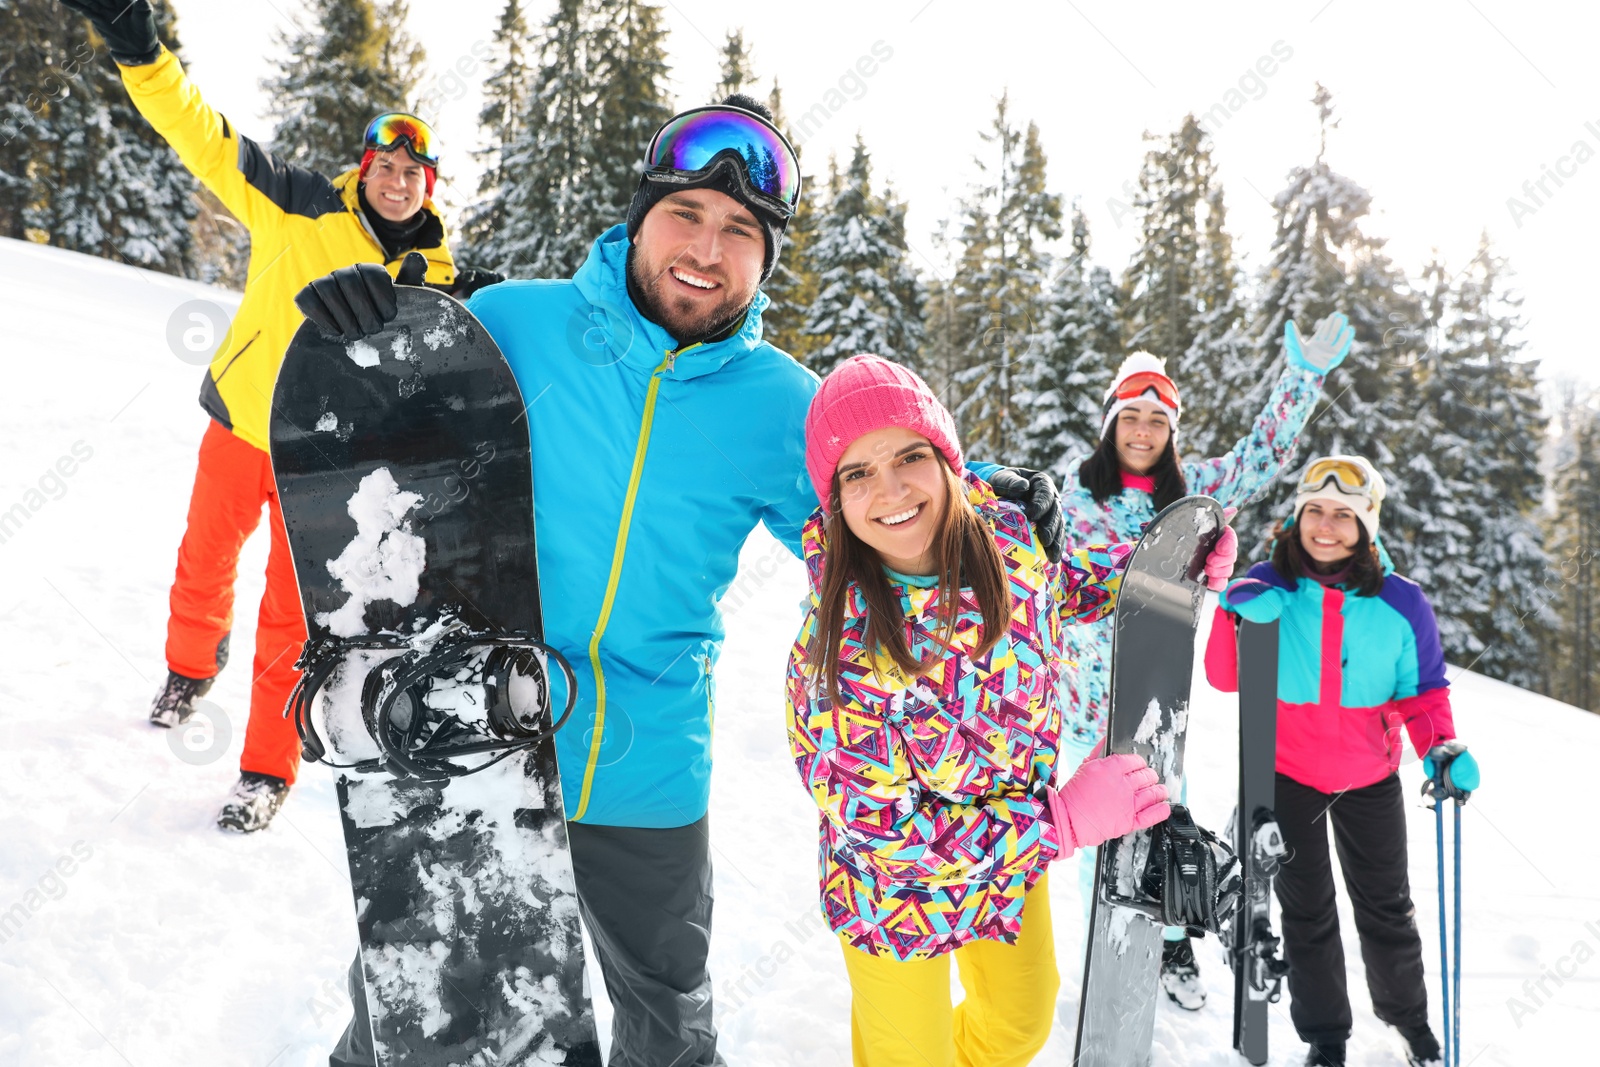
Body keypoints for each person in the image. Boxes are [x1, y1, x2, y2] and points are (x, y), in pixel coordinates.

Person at [299, 98, 1064, 1066]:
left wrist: (976, 505)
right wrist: (364, 338)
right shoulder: (510, 323)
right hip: (470, 730)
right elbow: (364, 465)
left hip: (643, 754)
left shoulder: (784, 404)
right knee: (410, 1001)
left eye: (741, 230)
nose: (707, 247)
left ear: (766, 257)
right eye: (687, 215)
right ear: (637, 218)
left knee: (668, 1020)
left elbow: (876, 537)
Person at [54, 0, 499, 832]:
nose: (397, 180)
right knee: (202, 562)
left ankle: (266, 766)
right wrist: (140, 51)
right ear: (363, 167)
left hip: (327, 468)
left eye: (415, 172)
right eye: (385, 165)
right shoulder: (293, 200)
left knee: (291, 621)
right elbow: (199, 134)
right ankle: (188, 669)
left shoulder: (432, 275)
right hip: (240, 425)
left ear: (428, 185)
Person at [785, 355, 1240, 1066]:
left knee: (1021, 1026)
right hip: (893, 900)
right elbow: (884, 835)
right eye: (858, 472)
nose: (893, 487)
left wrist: (1169, 570)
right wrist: (1060, 823)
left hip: (1005, 874)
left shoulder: (1007, 537)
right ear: (833, 499)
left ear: (947, 460)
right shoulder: (834, 654)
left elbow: (1067, 591)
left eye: (911, 455)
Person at [1053, 314, 1353, 1007]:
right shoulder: (1076, 494)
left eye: (1158, 419)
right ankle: (1114, 933)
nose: (1143, 430)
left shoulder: (1192, 495)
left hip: (1157, 701)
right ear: (1110, 422)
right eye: (1131, 415)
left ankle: (1172, 941)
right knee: (1101, 827)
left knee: (1166, 821)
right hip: (1082, 702)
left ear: (1170, 432)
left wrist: (1302, 380)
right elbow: (1050, 582)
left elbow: (1260, 455)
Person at [1203, 455, 1479, 1067]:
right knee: (1307, 912)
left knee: (1387, 908)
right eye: (1315, 512)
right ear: (1299, 517)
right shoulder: (1271, 586)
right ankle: (1326, 1039)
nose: (1325, 526)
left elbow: (1424, 692)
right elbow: (1224, 678)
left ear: (1367, 525)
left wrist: (1440, 749)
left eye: (1343, 515)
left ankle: (1409, 1022)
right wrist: (1232, 611)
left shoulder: (1402, 603)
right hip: (1287, 777)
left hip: (1369, 778)